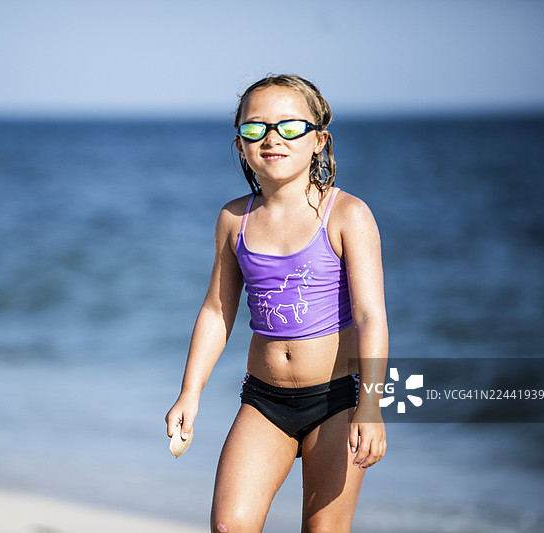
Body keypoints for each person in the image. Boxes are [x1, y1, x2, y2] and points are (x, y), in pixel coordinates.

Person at [165, 74, 388, 533]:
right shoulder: (234, 219)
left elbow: (370, 317)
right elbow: (216, 312)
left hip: (338, 400)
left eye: (289, 127)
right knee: (230, 526)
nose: (271, 138)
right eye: (256, 128)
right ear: (240, 142)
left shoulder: (347, 215)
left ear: (318, 140)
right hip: (263, 401)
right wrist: (190, 391)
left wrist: (371, 406)